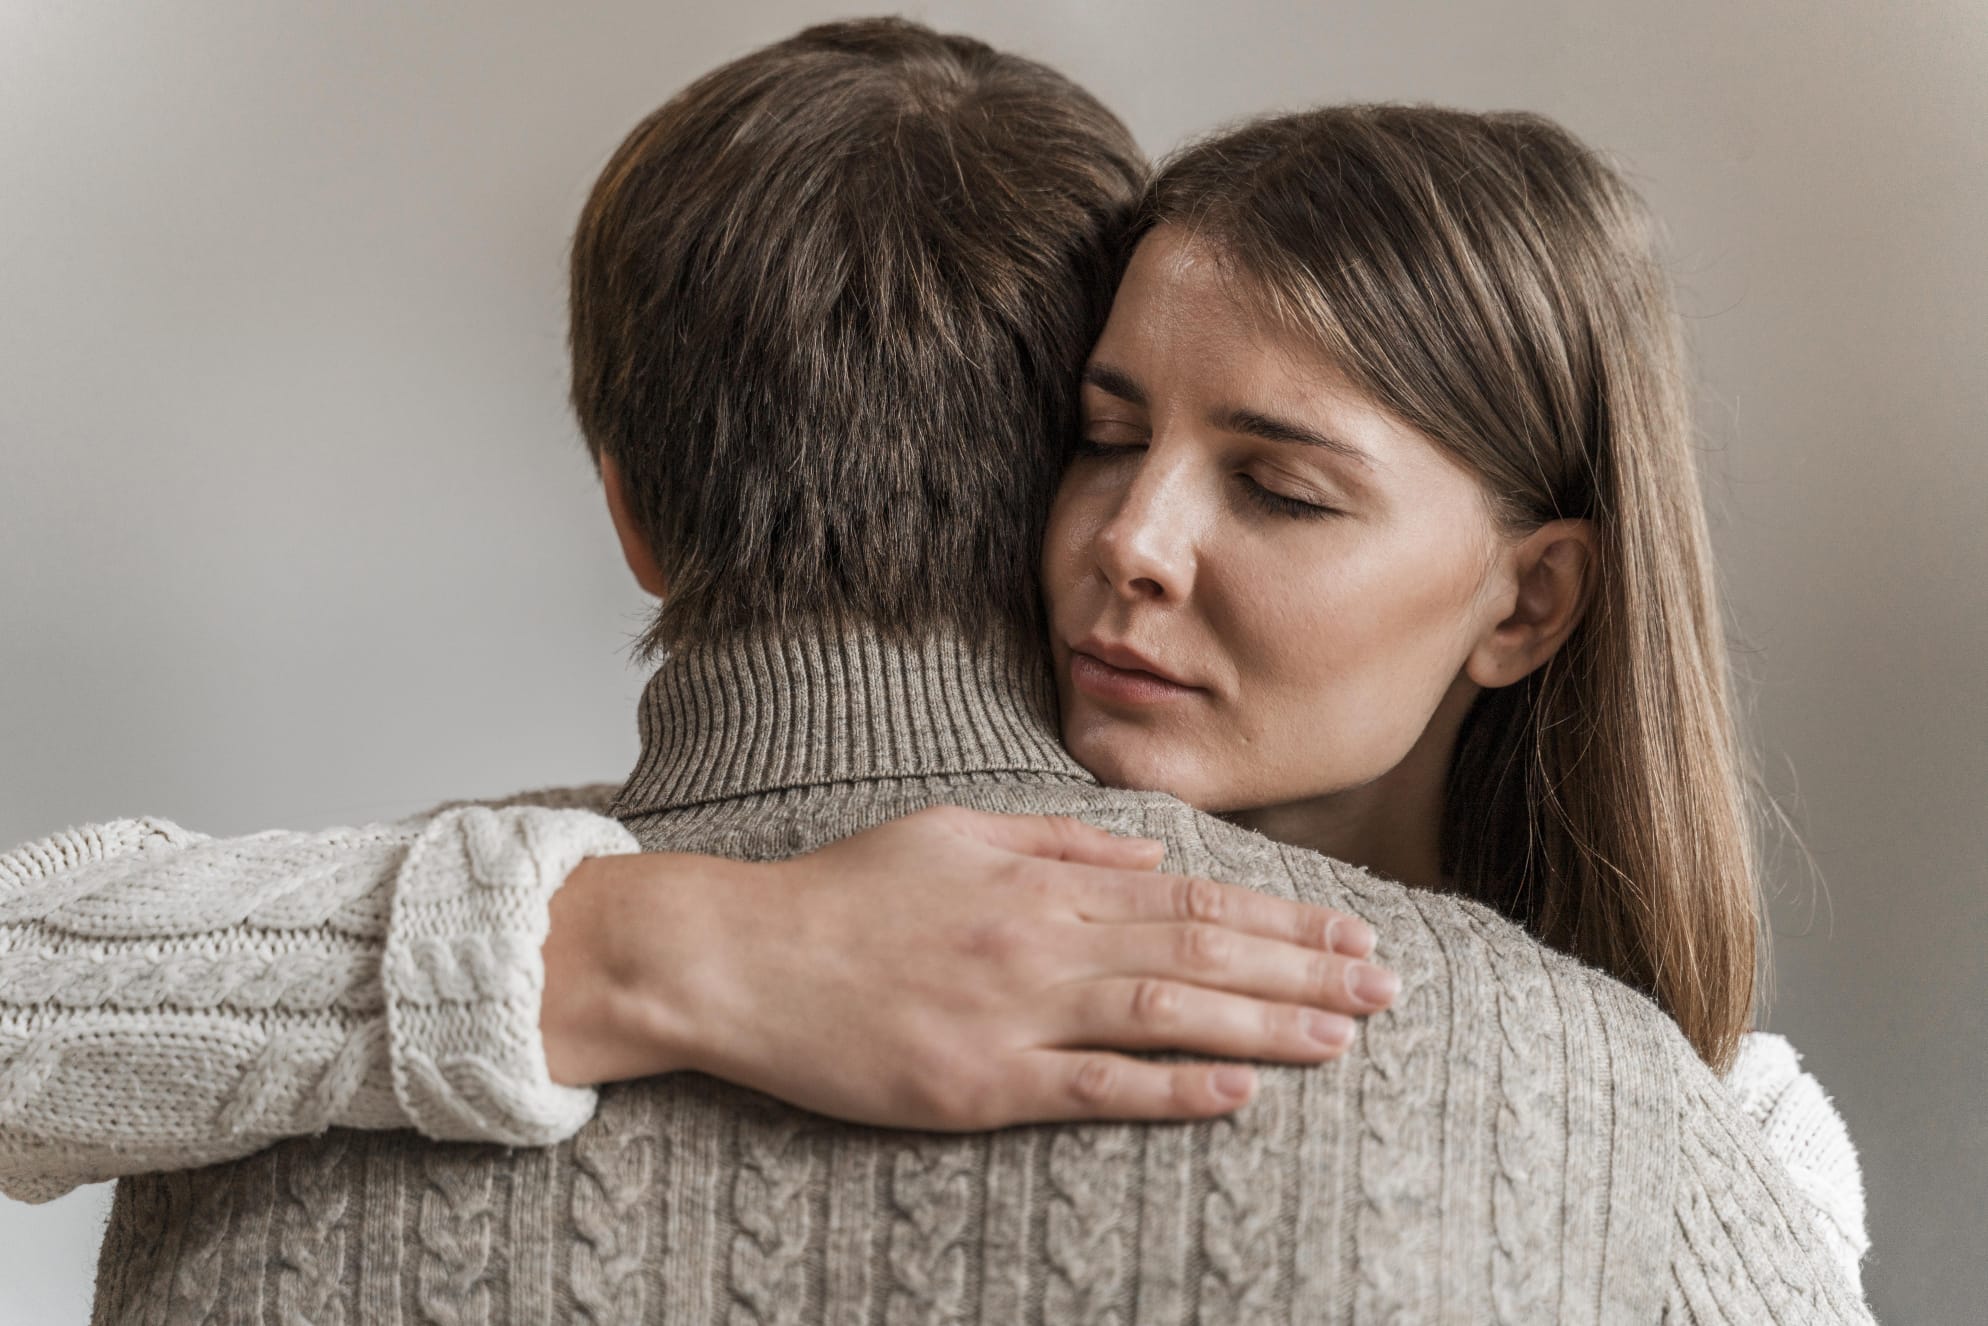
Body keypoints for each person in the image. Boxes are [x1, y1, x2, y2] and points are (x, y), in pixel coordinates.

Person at [5, 19, 1868, 1322]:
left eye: (1283, 486)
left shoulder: (1693, 1117)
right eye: (1106, 434)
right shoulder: (1602, 1109)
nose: (1141, 540)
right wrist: (674, 943)